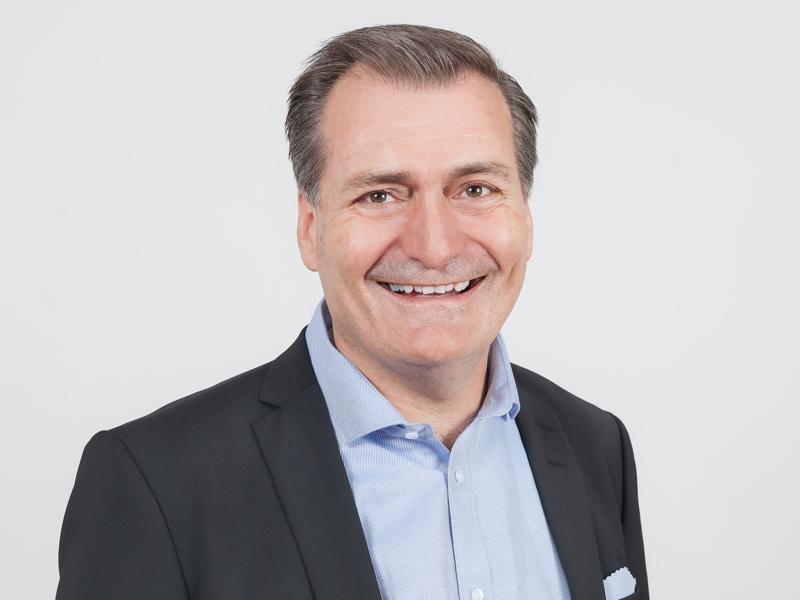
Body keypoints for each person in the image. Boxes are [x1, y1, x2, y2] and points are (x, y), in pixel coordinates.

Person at [56, 24, 648, 600]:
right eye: (380, 195)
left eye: (475, 189)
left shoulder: (597, 446)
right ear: (310, 229)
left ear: (525, 215)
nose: (434, 246)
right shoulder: (155, 482)